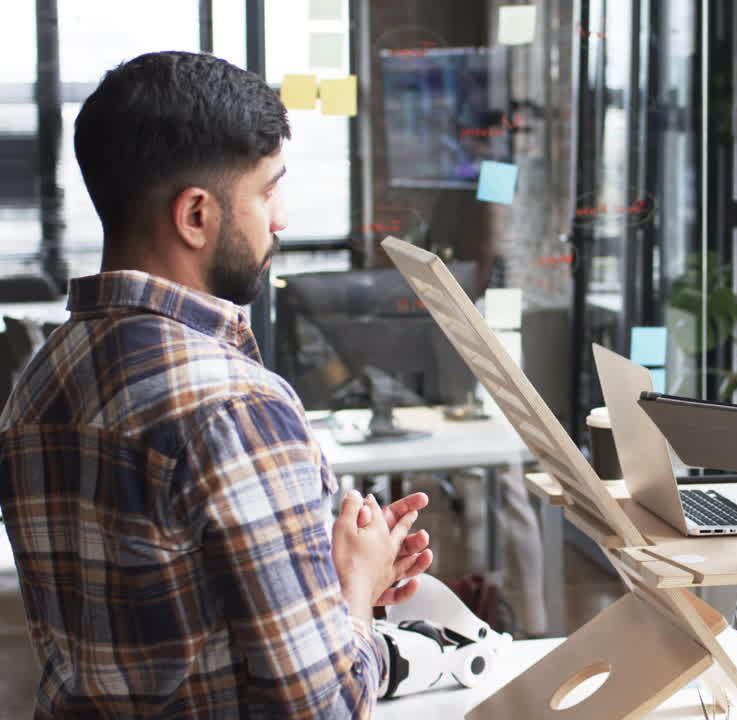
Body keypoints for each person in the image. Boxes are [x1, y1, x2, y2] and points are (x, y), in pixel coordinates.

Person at [0, 51, 433, 718]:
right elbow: (323, 708)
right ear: (196, 216)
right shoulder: (233, 405)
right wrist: (354, 586)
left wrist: (318, 582)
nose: (281, 218)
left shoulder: (39, 379)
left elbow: (166, 624)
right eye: (266, 191)